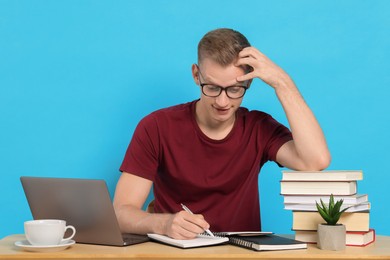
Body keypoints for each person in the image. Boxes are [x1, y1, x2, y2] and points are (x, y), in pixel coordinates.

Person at [113, 28, 331, 240]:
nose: (222, 101)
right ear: (196, 75)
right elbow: (121, 213)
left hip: (241, 255)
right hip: (175, 254)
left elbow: (315, 160)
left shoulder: (258, 127)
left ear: (249, 81)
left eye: (235, 89)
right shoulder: (157, 126)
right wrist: (165, 224)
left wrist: (282, 83)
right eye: (212, 87)